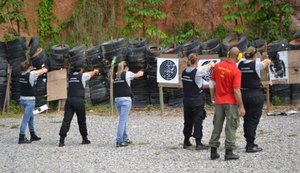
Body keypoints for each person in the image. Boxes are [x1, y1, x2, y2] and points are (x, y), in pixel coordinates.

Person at [209, 47, 245, 160]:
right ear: (239, 57)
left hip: (219, 102)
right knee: (231, 127)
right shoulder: (236, 71)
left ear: (228, 54)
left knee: (217, 126)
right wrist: (241, 107)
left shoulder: (218, 66)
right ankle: (229, 152)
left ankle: (213, 152)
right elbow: (236, 90)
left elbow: (211, 83)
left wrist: (213, 97)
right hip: (231, 103)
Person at [238, 46, 271, 153]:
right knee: (253, 119)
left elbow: (242, 59)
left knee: (247, 119)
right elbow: (265, 62)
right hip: (255, 94)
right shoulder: (256, 64)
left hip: (243, 94)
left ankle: (249, 141)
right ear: (255, 55)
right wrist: (268, 59)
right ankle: (250, 145)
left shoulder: (240, 63)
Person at [58, 64, 99, 147]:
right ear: (81, 70)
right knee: (81, 120)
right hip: (78, 100)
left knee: (66, 120)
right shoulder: (82, 76)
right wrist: (95, 71)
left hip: (69, 100)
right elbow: (90, 74)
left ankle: (61, 140)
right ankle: (84, 138)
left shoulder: (70, 77)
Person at [181, 53, 215, 150]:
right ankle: (198, 143)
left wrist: (208, 65)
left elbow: (200, 68)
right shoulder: (198, 72)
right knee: (197, 120)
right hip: (196, 100)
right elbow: (205, 69)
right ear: (196, 62)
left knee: (187, 120)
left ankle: (186, 141)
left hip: (187, 100)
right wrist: (211, 64)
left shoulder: (185, 71)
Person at [113, 61, 143, 147]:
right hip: (126, 99)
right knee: (122, 120)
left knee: (123, 119)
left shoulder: (115, 75)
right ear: (126, 67)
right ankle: (119, 141)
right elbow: (138, 75)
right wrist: (141, 72)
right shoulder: (127, 73)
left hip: (117, 100)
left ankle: (125, 138)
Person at [18, 60, 48, 144]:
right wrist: (43, 67)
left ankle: (32, 134)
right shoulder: (31, 74)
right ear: (29, 67)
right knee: (26, 119)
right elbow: (43, 71)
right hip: (29, 100)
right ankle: (21, 137)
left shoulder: (20, 74)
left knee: (30, 117)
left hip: (22, 99)